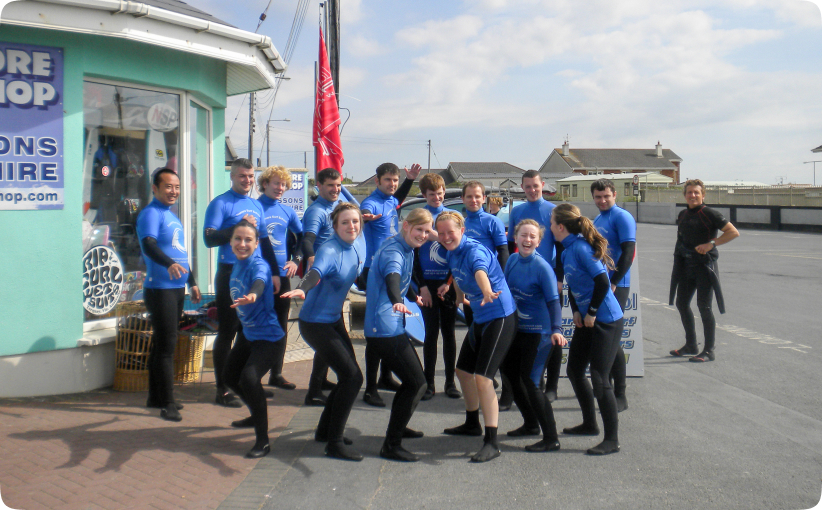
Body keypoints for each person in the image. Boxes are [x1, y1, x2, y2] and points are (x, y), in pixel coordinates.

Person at [282, 202, 366, 461]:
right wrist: (302, 288)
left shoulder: (354, 249)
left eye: (355, 222)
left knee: (348, 376)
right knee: (352, 378)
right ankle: (334, 442)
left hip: (333, 319)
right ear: (335, 225)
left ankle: (324, 431)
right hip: (315, 323)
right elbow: (316, 272)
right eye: (345, 222)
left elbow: (360, 279)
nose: (351, 226)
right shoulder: (330, 249)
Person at [438, 211, 517, 463]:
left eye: (451, 232)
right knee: (462, 372)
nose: (446, 237)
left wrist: (485, 291)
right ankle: (472, 423)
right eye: (441, 233)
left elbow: (480, 271)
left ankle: (492, 442)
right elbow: (460, 275)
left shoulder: (474, 251)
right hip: (481, 318)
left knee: (483, 379)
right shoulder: (451, 250)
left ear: (463, 231)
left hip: (499, 315)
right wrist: (459, 295)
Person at [203, 158, 279, 408]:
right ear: (232, 177)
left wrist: (275, 273)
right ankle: (222, 388)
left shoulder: (255, 205)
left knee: (251, 330)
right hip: (230, 272)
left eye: (250, 176)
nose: (247, 180)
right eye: (242, 176)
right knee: (228, 330)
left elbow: (264, 241)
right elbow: (210, 239)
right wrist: (238, 226)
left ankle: (248, 383)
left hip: (255, 273)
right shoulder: (221, 203)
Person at [550, 203, 624, 455]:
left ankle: (612, 440)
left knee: (600, 378)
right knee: (574, 370)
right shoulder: (565, 251)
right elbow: (572, 284)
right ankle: (590, 424)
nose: (549, 228)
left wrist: (591, 311)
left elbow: (602, 282)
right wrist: (578, 312)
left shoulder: (581, 248)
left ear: (560, 227)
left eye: (551, 224)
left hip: (606, 320)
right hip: (587, 319)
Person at [364, 208, 433, 462]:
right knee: (416, 383)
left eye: (427, 232)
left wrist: (412, 296)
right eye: (419, 230)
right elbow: (393, 277)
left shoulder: (402, 244)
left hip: (389, 324)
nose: (424, 236)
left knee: (413, 382)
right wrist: (397, 299)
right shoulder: (394, 251)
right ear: (405, 225)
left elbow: (401, 279)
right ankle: (391, 445)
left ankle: (399, 427)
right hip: (384, 328)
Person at [137, 169, 201, 422]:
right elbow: (149, 246)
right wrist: (168, 265)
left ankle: (155, 396)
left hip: (176, 288)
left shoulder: (172, 216)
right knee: (167, 346)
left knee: (162, 344)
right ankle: (168, 403)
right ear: (154, 188)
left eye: (177, 186)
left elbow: (181, 254)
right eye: (168, 186)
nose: (173, 191)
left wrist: (192, 281)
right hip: (159, 289)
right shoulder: (150, 214)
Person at [501, 219, 566, 452]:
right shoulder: (512, 261)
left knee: (530, 380)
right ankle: (530, 424)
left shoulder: (542, 267)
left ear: (539, 241)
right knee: (509, 373)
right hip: (518, 330)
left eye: (532, 237)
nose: (527, 240)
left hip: (540, 333)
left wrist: (557, 330)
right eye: (523, 235)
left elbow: (553, 302)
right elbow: (506, 293)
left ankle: (551, 437)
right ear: (515, 238)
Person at [360, 162, 422, 407]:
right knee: (378, 331)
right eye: (388, 180)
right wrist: (364, 218)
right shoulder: (371, 203)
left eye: (395, 181)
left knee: (392, 325)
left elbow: (398, 198)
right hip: (374, 270)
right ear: (377, 181)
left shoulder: (390, 201)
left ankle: (386, 376)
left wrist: (409, 180)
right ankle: (370, 387)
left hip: (392, 265)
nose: (392, 184)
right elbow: (365, 212)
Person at [222, 220, 285, 458]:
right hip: (248, 335)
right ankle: (254, 413)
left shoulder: (259, 265)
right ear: (231, 242)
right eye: (238, 238)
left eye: (248, 239)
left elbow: (259, 281)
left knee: (249, 379)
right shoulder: (236, 265)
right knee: (230, 376)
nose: (242, 243)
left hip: (269, 339)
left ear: (256, 243)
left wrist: (253, 294)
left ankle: (263, 440)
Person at [508, 170, 564, 403]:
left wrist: (559, 277)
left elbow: (560, 247)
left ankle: (552, 385)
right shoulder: (518, 211)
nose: (532, 190)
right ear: (522, 187)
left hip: (547, 277)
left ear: (543, 185)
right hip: (525, 276)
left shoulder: (552, 210)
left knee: (552, 331)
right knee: (524, 334)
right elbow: (513, 244)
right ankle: (526, 384)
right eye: (527, 186)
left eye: (536, 186)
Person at [300, 168, 354, 405]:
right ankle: (314, 390)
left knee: (329, 336)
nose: (335, 189)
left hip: (334, 276)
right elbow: (307, 239)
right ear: (318, 186)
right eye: (330, 185)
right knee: (325, 333)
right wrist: (312, 259)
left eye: (338, 185)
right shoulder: (316, 211)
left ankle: (319, 381)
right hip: (321, 274)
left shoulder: (337, 206)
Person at [669, 179, 739, 362]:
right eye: (689, 192)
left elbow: (733, 232)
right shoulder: (683, 214)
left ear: (703, 195)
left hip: (704, 266)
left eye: (696, 193)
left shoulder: (709, 214)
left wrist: (711, 244)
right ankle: (691, 344)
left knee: (704, 307)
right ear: (684, 195)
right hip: (686, 266)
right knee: (682, 303)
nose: (693, 195)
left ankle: (709, 350)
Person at [460, 181, 512, 408]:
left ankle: (501, 389)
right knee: (478, 341)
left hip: (491, 290)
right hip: (471, 293)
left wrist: (498, 283)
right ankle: (484, 383)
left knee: (496, 343)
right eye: (469, 196)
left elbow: (503, 252)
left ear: (484, 199)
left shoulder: (492, 221)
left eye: (477, 196)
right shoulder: (459, 222)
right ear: (462, 199)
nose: (473, 200)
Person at [413, 173, 460, 401]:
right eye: (432, 195)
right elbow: (413, 255)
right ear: (424, 195)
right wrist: (421, 286)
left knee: (449, 334)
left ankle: (450, 382)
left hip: (447, 282)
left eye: (440, 194)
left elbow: (458, 253)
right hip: (426, 285)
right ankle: (429, 382)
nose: (437, 198)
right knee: (431, 334)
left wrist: (449, 282)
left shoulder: (452, 216)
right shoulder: (420, 216)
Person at [591, 178, 636, 412]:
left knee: (612, 340)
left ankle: (620, 393)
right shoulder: (598, 218)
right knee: (602, 339)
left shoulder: (622, 217)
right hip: (602, 284)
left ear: (615, 194)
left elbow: (629, 251)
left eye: (606, 196)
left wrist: (615, 281)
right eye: (598, 197)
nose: (602, 200)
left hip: (616, 285)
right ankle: (604, 385)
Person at [257, 166, 303, 390]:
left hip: (282, 276)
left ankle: (276, 372)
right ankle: (252, 375)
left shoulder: (287, 211)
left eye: (283, 184)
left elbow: (303, 236)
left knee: (281, 324)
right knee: (256, 323)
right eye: (276, 183)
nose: (280, 188)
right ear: (265, 183)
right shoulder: (254, 207)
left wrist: (297, 259)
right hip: (258, 276)